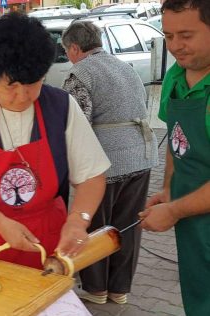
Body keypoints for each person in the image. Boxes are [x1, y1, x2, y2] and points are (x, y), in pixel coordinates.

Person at [0, 13, 110, 270]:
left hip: (41, 247)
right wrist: (1, 223)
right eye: (10, 86)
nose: (22, 96)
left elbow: (92, 176)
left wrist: (78, 220)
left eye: (32, 84)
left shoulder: (61, 107)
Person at [61, 21, 159, 305]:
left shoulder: (81, 73)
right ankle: (119, 290)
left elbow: (76, 124)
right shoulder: (125, 67)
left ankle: (96, 289)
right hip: (140, 156)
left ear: (76, 48)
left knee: (95, 226)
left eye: (68, 50)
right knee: (127, 226)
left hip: (105, 163)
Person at [140, 1, 210, 315]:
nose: (175, 46)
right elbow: (175, 137)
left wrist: (174, 210)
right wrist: (169, 187)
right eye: (168, 36)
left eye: (186, 35)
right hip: (191, 220)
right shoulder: (175, 76)